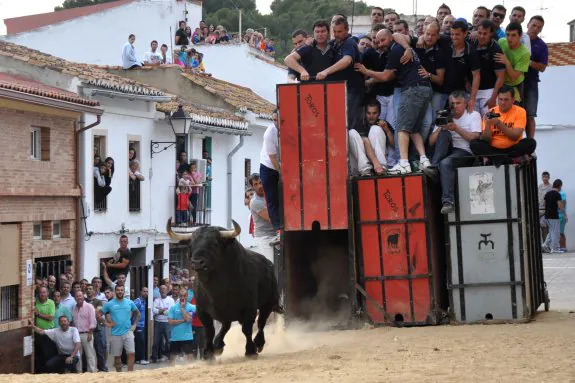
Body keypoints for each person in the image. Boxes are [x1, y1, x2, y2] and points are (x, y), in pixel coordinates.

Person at [355, 28, 431, 175]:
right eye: (378, 41)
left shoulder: (395, 50)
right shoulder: (401, 45)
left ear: (391, 38)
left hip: (412, 89)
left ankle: (403, 163)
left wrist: (366, 71)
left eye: (383, 40)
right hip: (425, 88)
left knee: (402, 128)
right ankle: (424, 160)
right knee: (414, 128)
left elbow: (385, 76)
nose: (381, 44)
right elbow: (390, 76)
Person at [425, 91, 482, 214]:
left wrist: (456, 128)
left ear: (465, 103)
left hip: (465, 152)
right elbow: (431, 142)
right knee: (443, 134)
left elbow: (475, 137)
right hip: (447, 150)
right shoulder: (445, 115)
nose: (455, 106)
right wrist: (441, 126)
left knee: (445, 163)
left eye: (458, 103)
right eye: (452, 103)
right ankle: (434, 167)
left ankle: (448, 202)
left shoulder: (473, 115)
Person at [469, 85, 536, 165]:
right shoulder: (490, 112)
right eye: (500, 99)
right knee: (474, 144)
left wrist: (498, 123)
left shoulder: (520, 111)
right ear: (497, 99)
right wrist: (487, 125)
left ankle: (499, 159)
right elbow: (487, 140)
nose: (503, 103)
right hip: (494, 149)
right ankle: (505, 159)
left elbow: (515, 137)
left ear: (513, 100)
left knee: (531, 143)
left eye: (506, 100)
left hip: (512, 148)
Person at [348, 102, 395, 176]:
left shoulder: (383, 124)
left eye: (374, 113)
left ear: (379, 113)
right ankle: (366, 169)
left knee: (376, 129)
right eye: (368, 113)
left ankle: (381, 167)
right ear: (365, 113)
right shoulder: (359, 124)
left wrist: (387, 130)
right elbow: (365, 142)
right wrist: (375, 162)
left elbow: (394, 145)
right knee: (351, 133)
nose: (371, 116)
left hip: (378, 166)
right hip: (360, 166)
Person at [101, 285, 140, 372]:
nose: (120, 291)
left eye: (121, 290)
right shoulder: (109, 304)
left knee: (131, 353)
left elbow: (137, 313)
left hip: (128, 332)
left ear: (124, 292)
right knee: (117, 357)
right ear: (115, 292)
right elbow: (98, 314)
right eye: (118, 290)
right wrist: (106, 323)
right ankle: (119, 374)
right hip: (115, 334)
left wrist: (134, 325)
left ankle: (130, 374)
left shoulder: (130, 302)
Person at [473, 20, 506, 116]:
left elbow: (501, 77)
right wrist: (466, 80)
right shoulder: (471, 44)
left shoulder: (496, 49)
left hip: (488, 92)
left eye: (485, 33)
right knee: (473, 124)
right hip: (471, 92)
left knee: (489, 123)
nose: (482, 36)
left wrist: (493, 98)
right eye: (479, 33)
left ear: (491, 33)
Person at [523, 16, 548, 138]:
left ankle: (530, 145)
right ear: (528, 24)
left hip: (531, 82)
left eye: (539, 27)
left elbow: (543, 67)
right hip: (514, 81)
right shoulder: (518, 37)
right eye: (533, 25)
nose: (535, 28)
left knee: (530, 115)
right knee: (513, 113)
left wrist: (529, 62)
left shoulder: (542, 45)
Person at [259, 110, 281, 236]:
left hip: (279, 165)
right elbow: (272, 158)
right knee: (272, 199)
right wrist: (281, 172)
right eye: (274, 120)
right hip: (268, 167)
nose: (275, 122)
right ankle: (278, 228)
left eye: (277, 119)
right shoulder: (270, 133)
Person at [497, 23, 530, 103]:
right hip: (499, 82)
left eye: (513, 35)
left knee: (513, 111)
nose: (509, 38)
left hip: (515, 85)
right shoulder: (501, 42)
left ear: (520, 35)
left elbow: (514, 77)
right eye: (507, 35)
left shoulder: (525, 53)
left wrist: (506, 62)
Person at [248, 173, 277, 263]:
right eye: (256, 184)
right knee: (271, 265)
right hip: (264, 238)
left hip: (274, 235)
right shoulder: (255, 202)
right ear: (252, 187)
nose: (259, 186)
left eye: (260, 182)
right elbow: (272, 218)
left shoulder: (270, 195)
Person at [167, 289, 196, 365]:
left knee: (190, 360)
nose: (182, 297)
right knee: (171, 360)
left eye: (184, 296)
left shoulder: (192, 307)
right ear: (179, 296)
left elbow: (188, 319)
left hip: (187, 337)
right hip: (175, 338)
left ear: (187, 296)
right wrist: (182, 320)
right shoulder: (173, 307)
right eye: (181, 296)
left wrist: (182, 308)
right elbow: (170, 321)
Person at [72, 290, 97, 372]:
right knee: (78, 355)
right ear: (75, 298)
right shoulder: (74, 308)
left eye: (80, 296)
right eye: (77, 296)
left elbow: (93, 321)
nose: (79, 297)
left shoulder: (89, 306)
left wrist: (90, 333)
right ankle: (79, 373)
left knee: (90, 355)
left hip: (87, 334)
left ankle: (92, 372)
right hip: (77, 335)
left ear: (83, 296)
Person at [152, 284, 174, 363]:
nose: (163, 290)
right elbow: (154, 311)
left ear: (167, 290)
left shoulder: (171, 300)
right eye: (161, 289)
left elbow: (171, 311)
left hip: (167, 322)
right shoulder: (156, 300)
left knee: (168, 341)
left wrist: (160, 310)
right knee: (155, 341)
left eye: (164, 289)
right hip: (158, 322)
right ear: (159, 291)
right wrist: (163, 310)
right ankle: (154, 357)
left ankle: (169, 356)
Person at [542, 179, 565, 254]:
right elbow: (560, 206)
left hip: (547, 215)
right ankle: (555, 248)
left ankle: (546, 244)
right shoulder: (557, 194)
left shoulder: (547, 193)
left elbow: (545, 204)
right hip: (554, 215)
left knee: (551, 231)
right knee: (556, 232)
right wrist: (565, 215)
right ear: (560, 186)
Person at [133, 287, 149, 365]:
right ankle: (141, 359)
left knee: (140, 342)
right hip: (138, 325)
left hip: (142, 325)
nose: (146, 293)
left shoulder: (144, 301)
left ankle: (138, 359)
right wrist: (133, 323)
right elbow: (131, 311)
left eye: (147, 291)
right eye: (144, 291)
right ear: (140, 292)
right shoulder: (138, 301)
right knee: (140, 343)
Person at [539, 171, 552, 242]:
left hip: (546, 210)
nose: (545, 178)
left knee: (544, 225)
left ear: (549, 178)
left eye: (546, 177)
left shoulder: (551, 187)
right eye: (543, 177)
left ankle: (546, 244)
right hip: (539, 209)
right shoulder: (540, 186)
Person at [559, 183, 568, 252]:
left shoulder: (562, 193)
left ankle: (563, 247)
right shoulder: (558, 193)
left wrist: (565, 215)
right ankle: (562, 247)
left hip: (561, 216)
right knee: (560, 232)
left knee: (561, 232)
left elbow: (563, 204)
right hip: (559, 216)